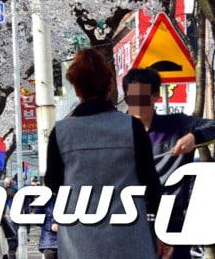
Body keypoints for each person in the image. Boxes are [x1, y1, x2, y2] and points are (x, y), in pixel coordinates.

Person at [44, 48, 166, 259]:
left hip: (78, 241)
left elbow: (53, 183)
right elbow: (151, 185)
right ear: (110, 85)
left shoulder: (61, 132)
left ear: (76, 88)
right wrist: (162, 233)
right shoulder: (132, 127)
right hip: (130, 238)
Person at [123, 66, 215, 259]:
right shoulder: (116, 133)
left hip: (172, 221)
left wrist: (194, 137)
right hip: (131, 222)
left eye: (142, 98)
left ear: (155, 97)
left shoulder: (176, 125)